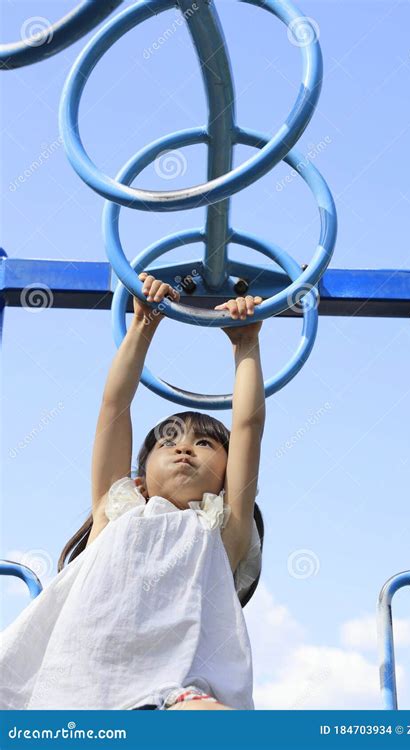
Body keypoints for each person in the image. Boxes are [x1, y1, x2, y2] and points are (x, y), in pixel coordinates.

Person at [0, 273, 266, 711]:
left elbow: (248, 426)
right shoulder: (118, 510)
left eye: (204, 443)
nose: (184, 446)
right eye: (169, 440)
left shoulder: (222, 530)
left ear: (224, 477)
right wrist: (143, 324)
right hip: (83, 691)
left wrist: (245, 346)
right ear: (139, 479)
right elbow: (113, 406)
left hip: (177, 691)